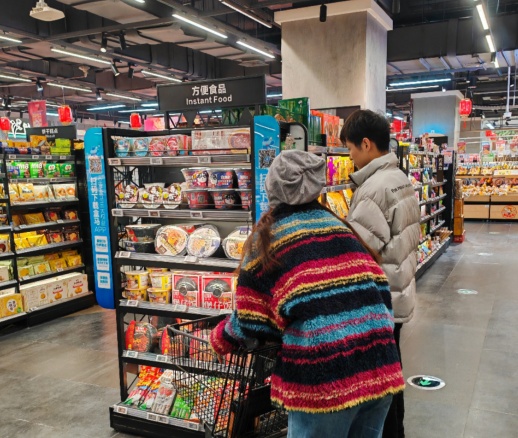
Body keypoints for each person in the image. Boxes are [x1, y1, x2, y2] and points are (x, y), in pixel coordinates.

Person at [210, 150, 405, 438]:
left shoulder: (269, 238)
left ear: (272, 188)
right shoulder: (341, 228)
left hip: (325, 378)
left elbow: (250, 319)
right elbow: (380, 291)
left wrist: (220, 338)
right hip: (380, 364)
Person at [340, 110, 421, 438]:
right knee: (393, 372)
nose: (349, 157)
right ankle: (396, 431)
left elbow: (357, 249)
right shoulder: (398, 177)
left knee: (381, 383)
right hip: (398, 294)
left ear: (366, 144)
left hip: (380, 300)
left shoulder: (374, 188)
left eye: (350, 149)